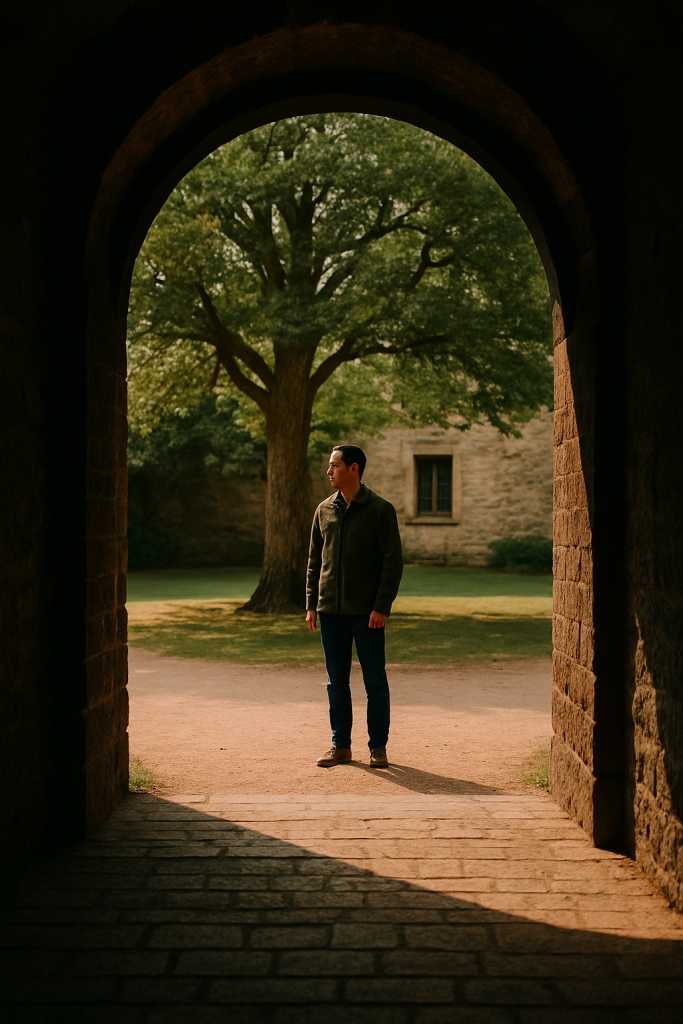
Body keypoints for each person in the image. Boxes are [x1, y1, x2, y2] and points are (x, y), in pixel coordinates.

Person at [305, 444, 403, 767]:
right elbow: (314, 562)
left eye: (334, 465)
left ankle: (378, 747)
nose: (328, 471)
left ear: (354, 469)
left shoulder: (380, 510)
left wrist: (381, 606)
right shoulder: (323, 510)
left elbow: (392, 563)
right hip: (330, 612)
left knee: (374, 680)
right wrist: (310, 604)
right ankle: (341, 746)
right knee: (336, 682)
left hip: (368, 614)